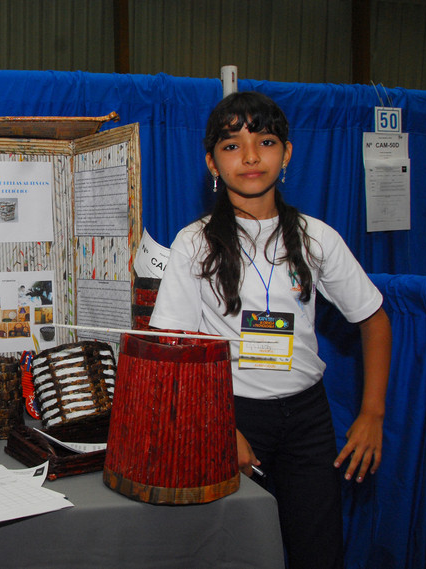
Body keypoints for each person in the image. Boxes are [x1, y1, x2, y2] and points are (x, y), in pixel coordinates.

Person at [149, 91, 391, 569]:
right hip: (230, 415)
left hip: (308, 419)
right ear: (212, 164)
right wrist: (221, 427)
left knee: (318, 550)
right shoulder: (194, 243)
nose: (252, 156)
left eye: (265, 141)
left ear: (287, 154)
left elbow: (374, 320)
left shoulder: (317, 237)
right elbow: (174, 348)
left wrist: (372, 415)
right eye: (232, 145)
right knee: (231, 551)